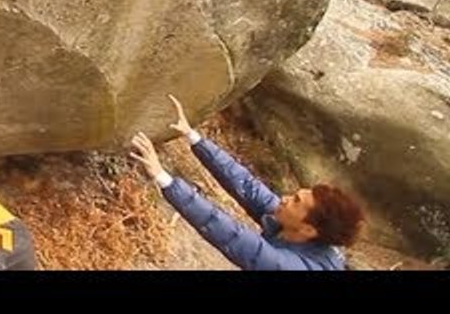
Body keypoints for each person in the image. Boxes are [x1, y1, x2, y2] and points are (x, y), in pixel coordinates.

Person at [130, 95, 364, 270]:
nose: (283, 198)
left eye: (295, 201)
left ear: (308, 229)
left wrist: (163, 178)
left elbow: (232, 235)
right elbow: (247, 186)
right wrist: (194, 137)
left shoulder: (288, 267)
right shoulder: (295, 225)